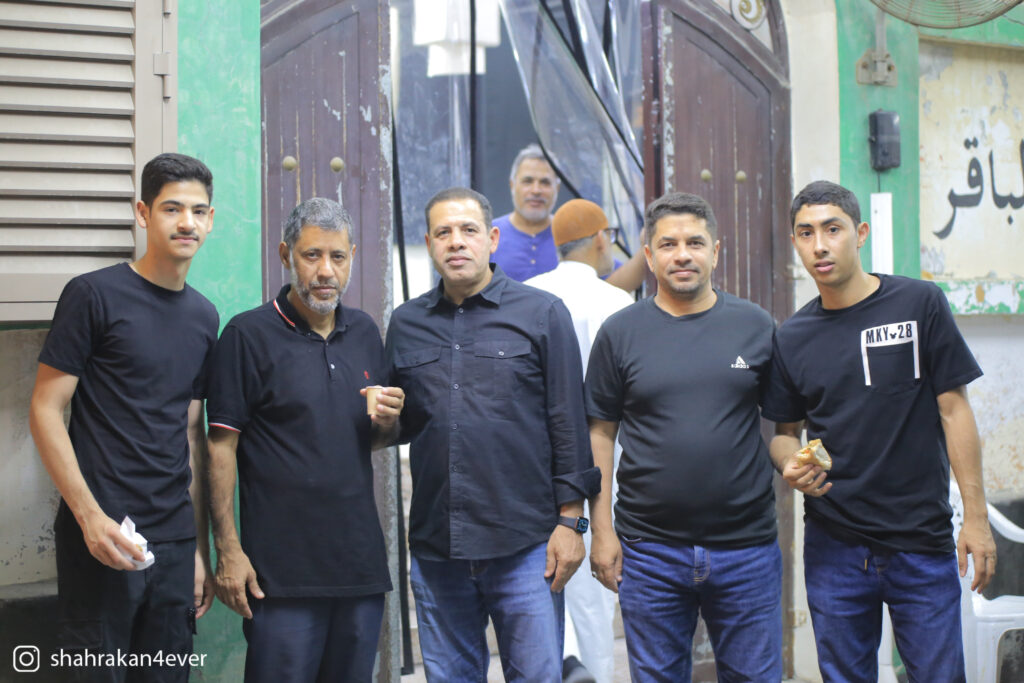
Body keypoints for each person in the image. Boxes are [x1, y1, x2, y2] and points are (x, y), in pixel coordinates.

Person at [763, 180, 997, 682]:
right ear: (795, 241)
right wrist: (788, 461)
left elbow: (955, 411)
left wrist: (976, 519)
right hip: (833, 545)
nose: (820, 245)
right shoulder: (792, 337)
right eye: (806, 233)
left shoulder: (918, 303)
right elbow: (784, 431)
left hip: (920, 538)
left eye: (833, 229)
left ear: (861, 233)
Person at [386, 187, 600, 681]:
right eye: (443, 232)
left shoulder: (542, 313)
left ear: (493, 239)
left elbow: (568, 424)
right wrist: (380, 418)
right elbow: (402, 425)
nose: (456, 241)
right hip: (439, 548)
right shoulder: (407, 323)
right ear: (429, 243)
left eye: (469, 230)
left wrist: (572, 525)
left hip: (526, 546)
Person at [29, 153, 219, 681]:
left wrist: (196, 550)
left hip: (174, 543)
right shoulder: (93, 295)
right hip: (103, 533)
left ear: (210, 220)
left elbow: (191, 434)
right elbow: (45, 409)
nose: (186, 222)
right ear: (143, 213)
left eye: (198, 211)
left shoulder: (204, 317)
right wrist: (89, 517)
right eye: (171, 208)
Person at [205, 198, 403, 682]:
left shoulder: (364, 332)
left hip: (358, 570)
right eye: (311, 255)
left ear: (352, 257)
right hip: (280, 577)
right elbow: (220, 448)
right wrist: (228, 550)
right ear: (286, 255)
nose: (325, 271)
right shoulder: (247, 335)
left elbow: (367, 439)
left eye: (337, 256)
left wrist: (387, 421)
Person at [587, 192, 782, 681]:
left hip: (746, 549)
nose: (682, 255)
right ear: (649, 255)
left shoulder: (755, 326)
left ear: (715, 251)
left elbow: (786, 426)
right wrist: (602, 530)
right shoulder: (620, 332)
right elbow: (600, 433)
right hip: (650, 551)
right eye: (668, 244)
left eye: (694, 242)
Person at [525, 199, 633, 683]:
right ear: (601, 238)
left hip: (539, 461)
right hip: (605, 459)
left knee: (540, 578)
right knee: (594, 592)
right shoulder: (617, 302)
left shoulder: (528, 295)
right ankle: (593, 673)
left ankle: (560, 666)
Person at [492, 144, 646, 291]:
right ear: (512, 185)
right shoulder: (490, 235)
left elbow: (612, 285)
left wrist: (646, 247)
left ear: (557, 188)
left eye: (545, 182)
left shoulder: (573, 232)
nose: (536, 190)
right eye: (528, 181)